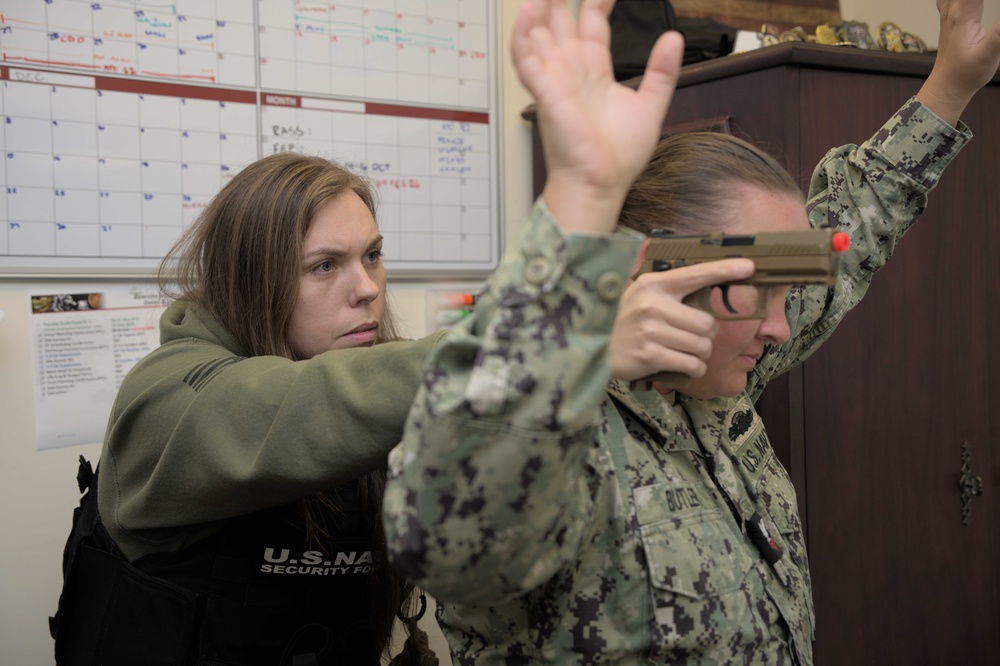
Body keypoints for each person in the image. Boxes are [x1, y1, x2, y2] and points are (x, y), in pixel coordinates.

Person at [382, 0, 1000, 663]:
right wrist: (579, 205)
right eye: (753, 289)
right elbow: (445, 537)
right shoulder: (558, 432)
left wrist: (953, 82)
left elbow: (855, 221)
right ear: (653, 268)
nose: (778, 326)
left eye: (789, 291)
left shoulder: (715, 372)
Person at [49, 153, 443, 665]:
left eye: (372, 255)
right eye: (324, 265)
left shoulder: (378, 394)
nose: (367, 288)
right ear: (253, 279)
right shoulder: (166, 398)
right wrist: (498, 357)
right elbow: (279, 407)